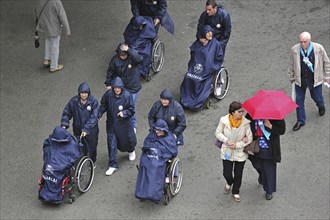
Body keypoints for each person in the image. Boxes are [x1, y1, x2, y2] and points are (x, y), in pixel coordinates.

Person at [288, 31, 330, 131]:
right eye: (301, 41)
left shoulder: (318, 48)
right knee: (299, 101)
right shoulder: (295, 49)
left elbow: (326, 62)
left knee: (316, 97)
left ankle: (321, 105)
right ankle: (300, 121)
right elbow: (291, 64)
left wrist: (327, 76)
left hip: (314, 79)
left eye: (305, 42)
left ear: (309, 40)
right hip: (300, 79)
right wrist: (291, 77)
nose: (302, 44)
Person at [98, 77, 137, 176]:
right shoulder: (108, 95)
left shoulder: (127, 96)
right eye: (115, 87)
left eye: (119, 87)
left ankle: (131, 150)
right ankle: (112, 165)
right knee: (111, 143)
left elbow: (131, 110)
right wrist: (99, 114)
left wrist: (124, 113)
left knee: (127, 140)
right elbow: (103, 105)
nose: (117, 89)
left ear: (122, 87)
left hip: (124, 124)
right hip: (112, 124)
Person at [215, 101, 252, 202]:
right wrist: (226, 140)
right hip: (227, 150)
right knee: (227, 173)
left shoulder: (245, 123)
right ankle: (229, 182)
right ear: (232, 112)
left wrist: (238, 145)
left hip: (240, 152)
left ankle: (236, 191)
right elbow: (218, 133)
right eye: (239, 111)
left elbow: (249, 138)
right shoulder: (224, 121)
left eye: (242, 111)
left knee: (238, 173)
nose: (242, 113)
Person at [180, 25, 223, 110]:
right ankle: (186, 99)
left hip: (208, 69)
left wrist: (212, 67)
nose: (210, 34)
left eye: (211, 31)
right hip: (197, 67)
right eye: (207, 32)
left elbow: (219, 59)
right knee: (188, 78)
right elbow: (193, 56)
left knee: (199, 80)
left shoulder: (216, 44)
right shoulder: (198, 43)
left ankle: (197, 102)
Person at [135, 119, 178, 203]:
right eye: (156, 130)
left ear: (164, 130)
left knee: (155, 168)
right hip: (150, 156)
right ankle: (143, 192)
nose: (157, 132)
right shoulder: (151, 135)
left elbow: (172, 152)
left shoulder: (169, 138)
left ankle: (153, 193)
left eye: (159, 130)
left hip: (160, 158)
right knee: (144, 165)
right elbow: (146, 145)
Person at [245, 114, 286, 200]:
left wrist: (270, 126)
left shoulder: (276, 116)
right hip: (255, 146)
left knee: (269, 169)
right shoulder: (251, 114)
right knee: (257, 164)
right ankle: (262, 175)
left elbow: (282, 130)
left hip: (269, 147)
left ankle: (269, 190)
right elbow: (245, 125)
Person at [105, 43, 143, 131]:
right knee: (120, 106)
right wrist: (108, 84)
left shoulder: (132, 59)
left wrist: (129, 49)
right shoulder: (114, 60)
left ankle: (133, 126)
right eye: (121, 55)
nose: (123, 56)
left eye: (124, 54)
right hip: (121, 87)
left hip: (132, 88)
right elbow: (110, 72)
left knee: (131, 107)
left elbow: (139, 58)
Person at [39, 126, 81, 203]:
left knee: (49, 176)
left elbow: (46, 151)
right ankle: (54, 194)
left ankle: (47, 192)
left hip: (51, 166)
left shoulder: (50, 142)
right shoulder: (71, 144)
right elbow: (73, 157)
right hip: (59, 168)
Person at [61, 82, 99, 164]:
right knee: (80, 147)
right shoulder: (73, 101)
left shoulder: (94, 102)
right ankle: (82, 163)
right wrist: (64, 124)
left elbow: (94, 117)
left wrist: (86, 129)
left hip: (91, 131)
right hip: (78, 129)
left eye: (85, 93)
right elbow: (67, 112)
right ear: (79, 93)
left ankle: (92, 162)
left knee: (92, 147)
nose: (84, 95)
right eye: (82, 93)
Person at [35, 0, 70, 72]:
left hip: (45, 24)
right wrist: (67, 30)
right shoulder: (56, 1)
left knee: (47, 39)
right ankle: (54, 66)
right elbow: (62, 16)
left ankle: (46, 59)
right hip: (54, 27)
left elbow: (36, 10)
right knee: (55, 45)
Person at [123, 16, 157, 81]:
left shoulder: (147, 27)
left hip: (144, 44)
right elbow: (127, 35)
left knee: (145, 55)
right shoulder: (132, 26)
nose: (140, 28)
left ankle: (145, 72)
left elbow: (153, 36)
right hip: (133, 43)